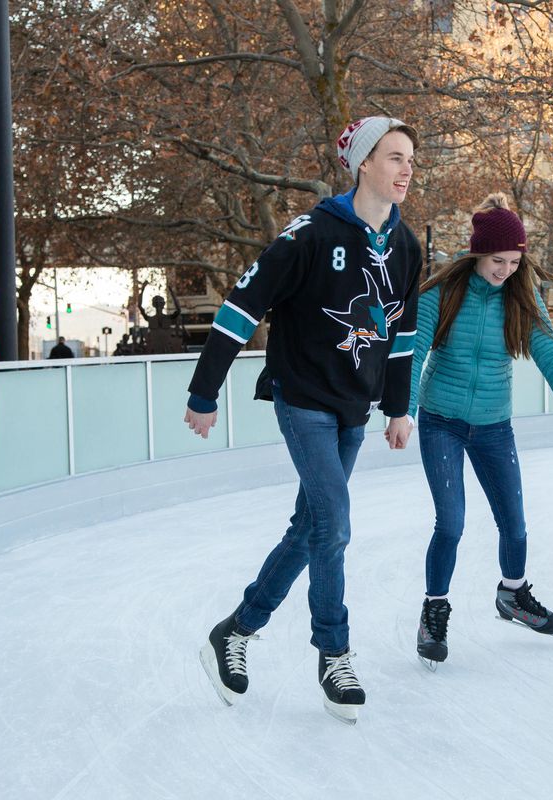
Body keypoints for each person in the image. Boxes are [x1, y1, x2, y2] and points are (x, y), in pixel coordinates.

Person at [185, 116, 422, 723]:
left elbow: (402, 336)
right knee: (334, 523)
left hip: (355, 405)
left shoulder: (406, 246)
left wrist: (399, 406)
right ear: (364, 163)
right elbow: (243, 306)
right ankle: (333, 651)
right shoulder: (310, 234)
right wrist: (204, 391)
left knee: (311, 525)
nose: (405, 171)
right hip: (302, 396)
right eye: (394, 157)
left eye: (410, 161)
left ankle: (236, 629)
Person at [407, 193, 553, 668]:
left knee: (514, 524)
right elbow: (412, 350)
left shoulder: (520, 294)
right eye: (498, 260)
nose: (506, 270)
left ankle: (512, 595)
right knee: (450, 522)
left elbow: (550, 354)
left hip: (494, 426)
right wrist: (404, 410)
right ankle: (434, 608)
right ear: (477, 253)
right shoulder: (444, 291)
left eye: (515, 261)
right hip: (441, 422)